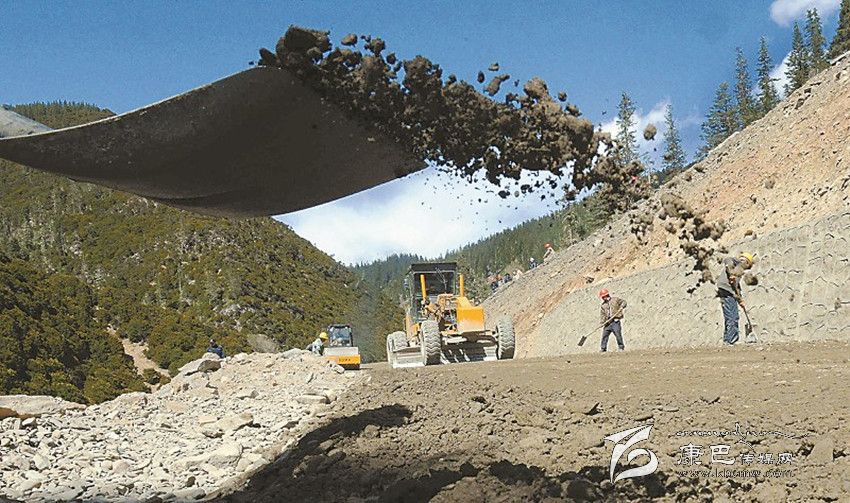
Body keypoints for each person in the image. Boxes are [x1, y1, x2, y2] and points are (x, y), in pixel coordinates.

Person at [716, 252, 754, 346]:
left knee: (729, 316)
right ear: (746, 262)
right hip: (727, 291)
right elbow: (727, 260)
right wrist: (731, 273)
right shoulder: (736, 262)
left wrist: (740, 300)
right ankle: (731, 340)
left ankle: (727, 340)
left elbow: (736, 288)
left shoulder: (738, 271)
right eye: (748, 266)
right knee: (733, 316)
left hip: (726, 290)